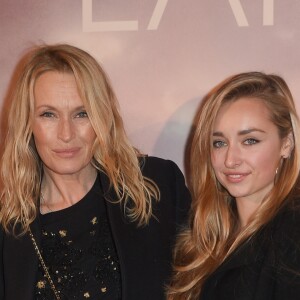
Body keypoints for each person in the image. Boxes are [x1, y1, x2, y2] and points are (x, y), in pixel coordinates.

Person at [0, 44, 191, 300]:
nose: (66, 134)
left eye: (82, 114)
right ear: (27, 124)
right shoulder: (8, 229)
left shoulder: (157, 186)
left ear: (102, 117)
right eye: (48, 115)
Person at [167, 72, 300, 299]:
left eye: (250, 141)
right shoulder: (205, 232)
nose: (230, 160)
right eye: (219, 143)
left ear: (286, 144)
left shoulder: (292, 235)